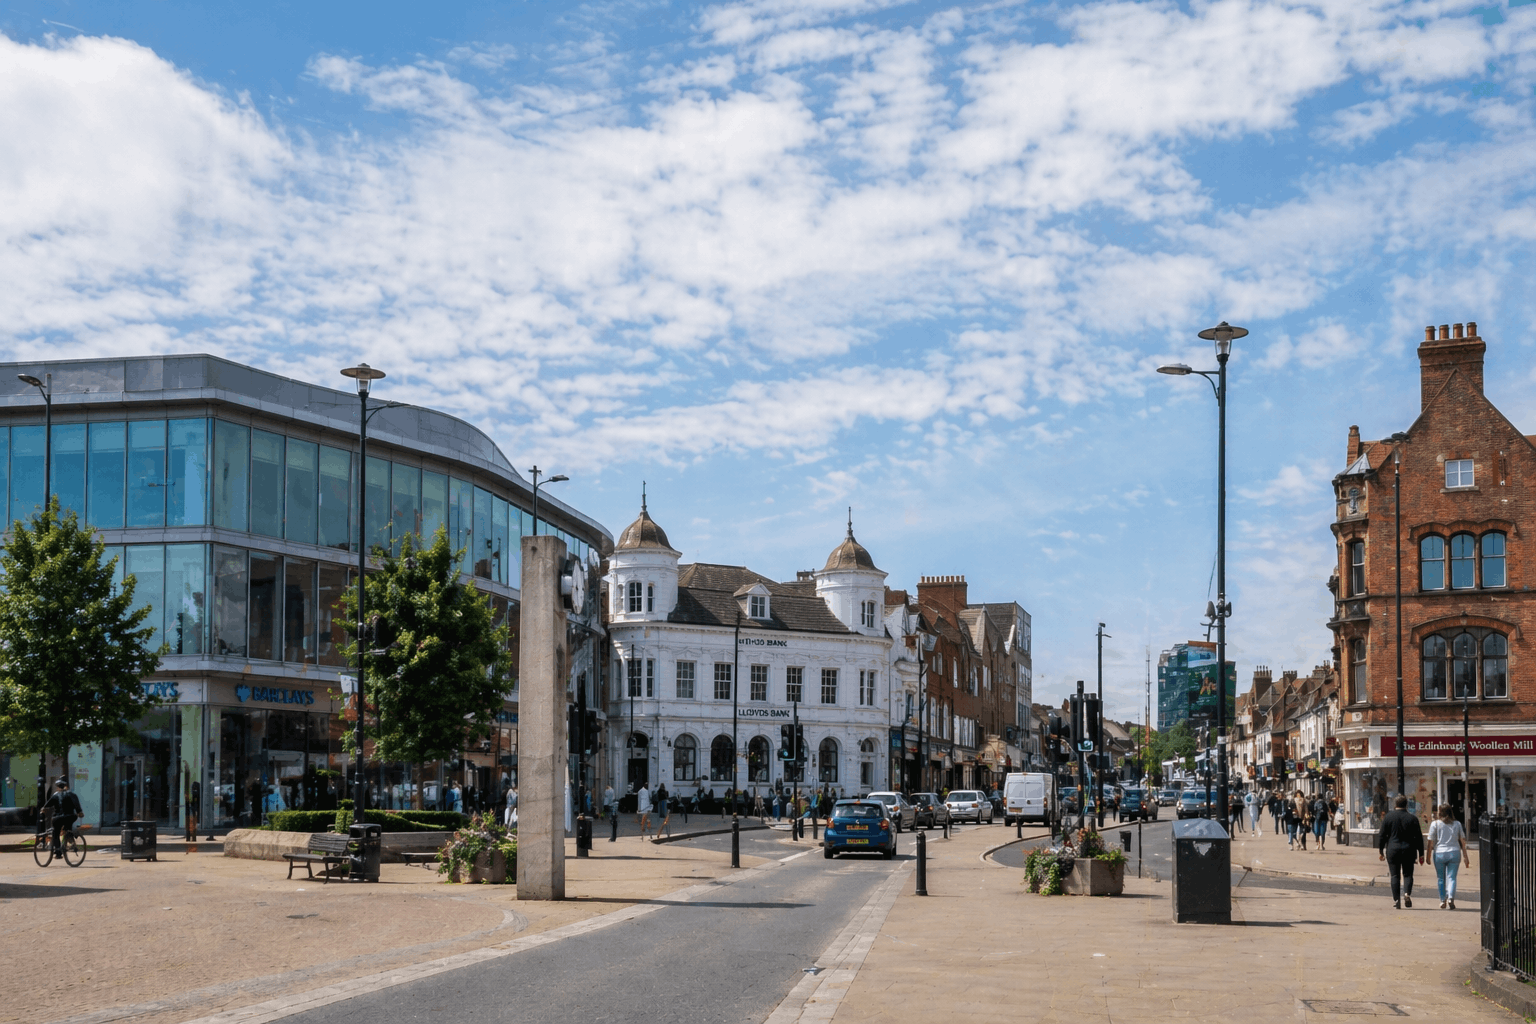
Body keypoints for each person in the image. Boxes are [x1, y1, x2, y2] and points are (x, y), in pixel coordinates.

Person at [1376, 794, 1426, 909]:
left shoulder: (1388, 817)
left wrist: (1381, 851)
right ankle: (1407, 894)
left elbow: (1382, 836)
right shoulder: (1412, 818)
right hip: (1409, 849)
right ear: (1406, 805)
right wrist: (1421, 854)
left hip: (1393, 849)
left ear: (1395, 804)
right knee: (1408, 874)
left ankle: (1397, 900)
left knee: (1394, 875)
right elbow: (1418, 838)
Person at [1427, 804, 1470, 909]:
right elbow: (1462, 841)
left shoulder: (1435, 824)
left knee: (1441, 878)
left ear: (1440, 812)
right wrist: (1465, 856)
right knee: (1452, 877)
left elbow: (1430, 842)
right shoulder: (1457, 824)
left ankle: (1442, 900)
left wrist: (1427, 856)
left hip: (1439, 853)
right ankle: (1451, 897)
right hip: (1454, 852)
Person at [42, 777, 82, 856]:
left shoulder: (55, 795)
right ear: (66, 786)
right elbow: (77, 805)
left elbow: (47, 805)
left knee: (56, 832)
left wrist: (43, 810)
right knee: (68, 825)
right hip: (71, 816)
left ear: (58, 787)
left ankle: (58, 852)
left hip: (58, 818)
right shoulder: (72, 794)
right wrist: (79, 812)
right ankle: (70, 837)